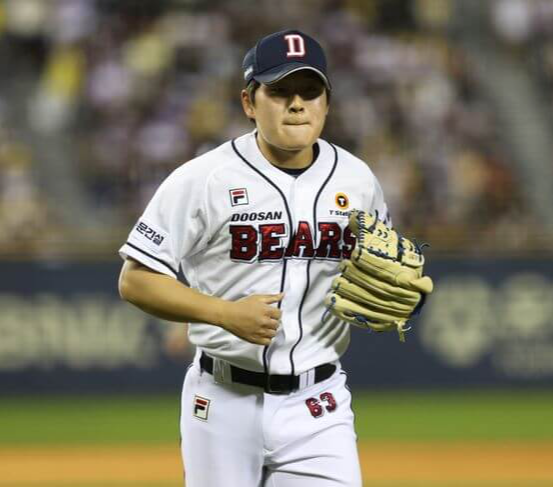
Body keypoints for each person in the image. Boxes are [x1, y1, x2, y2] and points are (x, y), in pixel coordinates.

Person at [118, 29, 391, 487]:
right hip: (223, 401)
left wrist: (386, 297)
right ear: (249, 102)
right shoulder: (204, 179)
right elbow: (135, 279)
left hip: (319, 406)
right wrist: (223, 313)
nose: (297, 105)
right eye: (280, 91)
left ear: (327, 102)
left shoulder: (358, 180)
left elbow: (377, 274)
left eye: (310, 91)